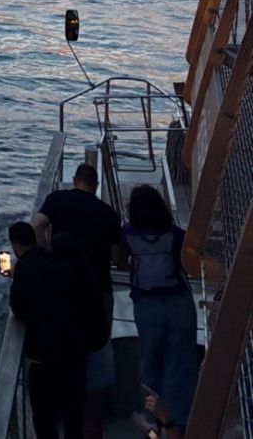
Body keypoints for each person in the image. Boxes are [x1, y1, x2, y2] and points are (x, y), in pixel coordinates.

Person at [34, 162, 122, 438]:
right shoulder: (109, 214)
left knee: (60, 348)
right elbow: (116, 257)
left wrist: (47, 255)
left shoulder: (57, 200)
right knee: (94, 362)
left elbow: (36, 226)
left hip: (62, 288)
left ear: (75, 181)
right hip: (98, 290)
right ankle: (91, 428)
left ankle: (57, 405)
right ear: (95, 186)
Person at [121, 185, 197, 439]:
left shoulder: (128, 234)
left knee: (150, 360)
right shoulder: (174, 234)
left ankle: (149, 418)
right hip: (179, 303)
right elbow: (189, 262)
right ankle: (178, 418)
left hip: (147, 305)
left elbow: (120, 259)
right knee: (180, 362)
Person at [8, 220, 88, 439]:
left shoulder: (24, 268)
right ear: (35, 239)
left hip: (44, 361)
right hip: (73, 356)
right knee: (73, 417)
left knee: (44, 420)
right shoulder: (57, 260)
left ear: (15, 246)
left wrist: (16, 280)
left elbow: (18, 308)